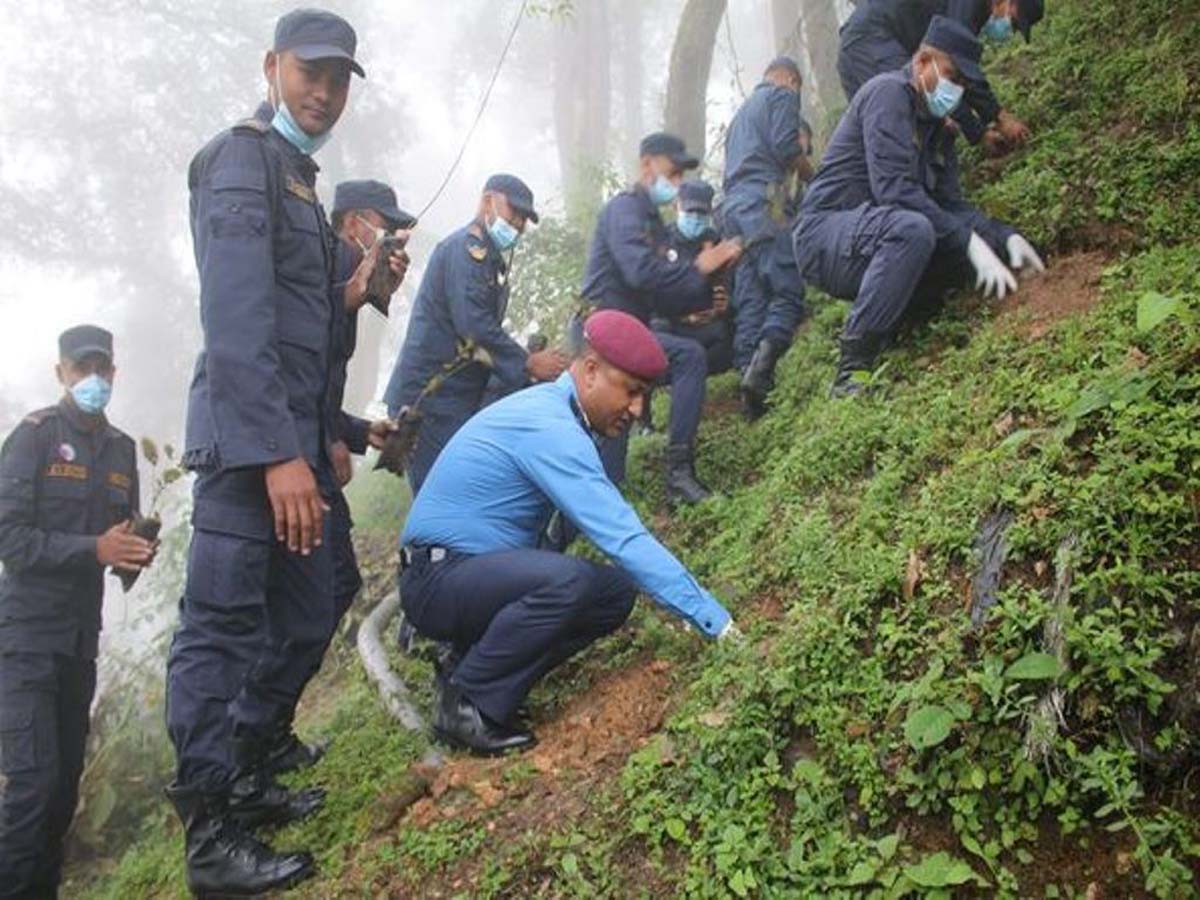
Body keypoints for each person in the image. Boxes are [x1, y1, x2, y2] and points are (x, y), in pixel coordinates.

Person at [163, 8, 366, 895]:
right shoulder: (242, 160)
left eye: (338, 80)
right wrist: (277, 454)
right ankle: (211, 837)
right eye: (309, 73)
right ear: (272, 65)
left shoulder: (297, 177)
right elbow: (238, 319)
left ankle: (247, 771)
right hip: (252, 456)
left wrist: (359, 289)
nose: (322, 92)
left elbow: (303, 321)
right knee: (221, 633)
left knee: (317, 599)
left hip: (296, 444)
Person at [399, 310, 741, 755]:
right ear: (592, 371)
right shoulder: (550, 426)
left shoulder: (557, 415)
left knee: (612, 593)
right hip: (438, 577)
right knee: (571, 581)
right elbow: (622, 538)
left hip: (465, 573)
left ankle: (473, 669)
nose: (638, 410)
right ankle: (467, 702)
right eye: (632, 392)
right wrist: (717, 622)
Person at [794, 16, 1045, 398]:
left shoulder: (936, 127)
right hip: (825, 234)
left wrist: (1001, 237)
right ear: (922, 63)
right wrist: (968, 240)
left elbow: (949, 206)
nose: (955, 89)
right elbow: (895, 191)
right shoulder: (886, 93)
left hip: (871, 235)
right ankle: (851, 372)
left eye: (962, 83)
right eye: (951, 76)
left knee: (953, 245)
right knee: (915, 230)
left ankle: (899, 321)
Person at [260, 178, 414, 778]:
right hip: (287, 464)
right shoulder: (312, 284)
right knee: (301, 604)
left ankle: (270, 729)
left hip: (314, 455)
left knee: (336, 586)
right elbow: (284, 374)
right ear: (353, 224)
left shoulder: (345, 296)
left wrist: (356, 433)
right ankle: (254, 738)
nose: (393, 240)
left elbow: (320, 390)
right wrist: (317, 445)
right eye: (385, 226)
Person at [0, 326, 155, 900]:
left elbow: (120, 542)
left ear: (113, 372)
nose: (93, 379)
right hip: (25, 640)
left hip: (79, 641)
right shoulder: (33, 438)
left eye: (102, 368)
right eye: (80, 368)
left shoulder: (120, 450)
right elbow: (10, 538)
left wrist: (135, 552)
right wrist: (92, 548)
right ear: (61, 372)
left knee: (63, 790)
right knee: (32, 787)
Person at [382, 174, 568, 496]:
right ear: (487, 202)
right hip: (430, 399)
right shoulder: (466, 251)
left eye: (524, 221)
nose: (519, 226)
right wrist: (527, 364)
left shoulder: (488, 258)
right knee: (443, 495)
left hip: (452, 396)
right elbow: (474, 327)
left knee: (455, 487)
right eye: (515, 215)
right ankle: (432, 549)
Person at [580, 132, 742, 501]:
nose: (677, 184)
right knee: (606, 450)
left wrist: (712, 283)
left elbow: (665, 298)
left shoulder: (652, 221)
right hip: (601, 336)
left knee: (686, 358)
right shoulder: (625, 210)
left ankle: (678, 474)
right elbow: (640, 272)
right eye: (672, 173)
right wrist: (699, 269)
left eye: (680, 177)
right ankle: (673, 476)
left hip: (627, 335)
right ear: (647, 164)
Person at [721, 57, 812, 419]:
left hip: (732, 208)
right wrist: (813, 177)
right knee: (786, 284)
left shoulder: (739, 117)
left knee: (750, 291)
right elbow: (787, 149)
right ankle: (763, 370)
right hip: (764, 199)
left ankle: (747, 381)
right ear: (791, 79)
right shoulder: (782, 96)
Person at [838, 0, 1044, 155]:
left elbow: (953, 73)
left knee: (886, 130)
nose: (1011, 30)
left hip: (870, 41)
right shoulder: (967, 5)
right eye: (1015, 22)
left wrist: (978, 132)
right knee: (902, 110)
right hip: (871, 39)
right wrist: (999, 117)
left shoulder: (972, 11)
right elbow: (949, 72)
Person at [660, 180, 734, 376]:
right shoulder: (661, 241)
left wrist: (723, 306)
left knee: (727, 338)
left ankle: (690, 372)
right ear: (677, 207)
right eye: (690, 212)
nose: (695, 218)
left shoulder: (715, 242)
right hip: (668, 324)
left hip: (705, 326)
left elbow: (728, 286)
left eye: (701, 214)